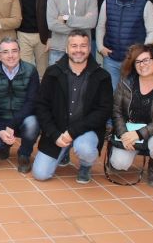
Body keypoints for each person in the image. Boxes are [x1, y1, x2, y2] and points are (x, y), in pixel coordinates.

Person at [32, 29, 112, 184]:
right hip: (57, 132)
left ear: (89, 48)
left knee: (85, 149)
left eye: (83, 46)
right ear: (67, 49)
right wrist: (54, 134)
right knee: (40, 174)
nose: (79, 50)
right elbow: (42, 106)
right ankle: (65, 151)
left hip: (86, 131)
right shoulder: (52, 72)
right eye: (74, 46)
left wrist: (72, 132)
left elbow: (103, 111)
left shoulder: (102, 76)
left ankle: (85, 166)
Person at [110, 43, 153, 186]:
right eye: (138, 62)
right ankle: (125, 152)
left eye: (146, 60)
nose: (142, 65)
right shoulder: (125, 83)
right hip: (129, 131)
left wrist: (139, 134)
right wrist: (124, 134)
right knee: (119, 164)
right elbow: (116, 111)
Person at [97, 0, 153, 90]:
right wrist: (100, 47)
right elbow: (100, 26)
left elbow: (152, 31)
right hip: (111, 60)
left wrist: (142, 53)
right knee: (112, 93)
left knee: (132, 93)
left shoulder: (145, 3)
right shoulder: (108, 1)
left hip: (134, 61)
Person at [0, 37, 39, 173]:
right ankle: (4, 146)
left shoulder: (31, 70)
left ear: (20, 52)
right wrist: (0, 129)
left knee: (33, 124)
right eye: (5, 52)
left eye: (14, 51)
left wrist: (12, 125)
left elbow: (31, 102)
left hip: (23, 120)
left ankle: (24, 154)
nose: (10, 56)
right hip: (1, 120)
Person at [46, 0, 98, 65]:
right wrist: (82, 24)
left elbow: (91, 23)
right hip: (58, 49)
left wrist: (66, 18)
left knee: (81, 82)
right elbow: (52, 24)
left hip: (81, 51)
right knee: (57, 82)